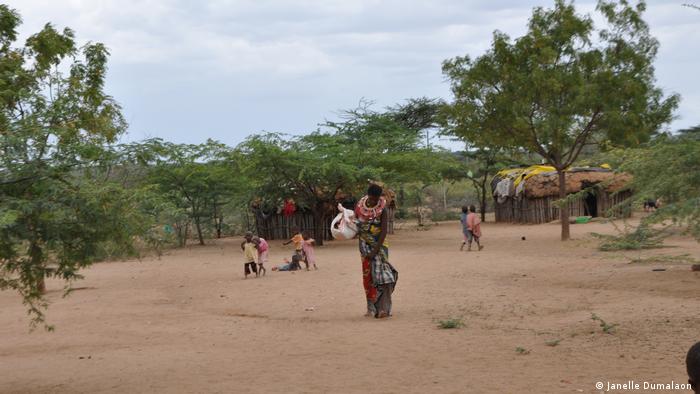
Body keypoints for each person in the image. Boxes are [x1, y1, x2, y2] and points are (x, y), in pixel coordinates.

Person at [355, 184, 398, 319]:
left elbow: (384, 232)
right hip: (364, 245)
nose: (374, 201)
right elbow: (355, 224)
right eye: (372, 198)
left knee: (384, 277)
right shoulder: (360, 207)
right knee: (368, 277)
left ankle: (383, 308)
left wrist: (375, 251)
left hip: (379, 246)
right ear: (368, 195)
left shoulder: (383, 210)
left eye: (376, 198)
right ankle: (371, 308)